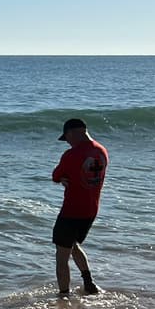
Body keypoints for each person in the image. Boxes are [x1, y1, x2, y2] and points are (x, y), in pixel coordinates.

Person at [51, 117, 108, 296]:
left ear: (73, 133)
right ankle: (88, 282)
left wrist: (62, 178)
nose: (66, 142)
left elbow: (55, 175)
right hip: (90, 211)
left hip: (71, 211)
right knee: (72, 245)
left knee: (61, 256)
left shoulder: (71, 155)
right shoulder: (102, 151)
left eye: (66, 137)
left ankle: (64, 296)